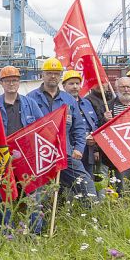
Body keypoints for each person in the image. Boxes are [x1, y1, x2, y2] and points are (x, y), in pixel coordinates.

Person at [0, 66, 44, 229]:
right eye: (8, 80)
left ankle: (34, 233)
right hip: (2, 158)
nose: (12, 83)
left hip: (27, 158)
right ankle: (6, 232)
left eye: (15, 80)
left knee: (33, 195)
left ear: (19, 82)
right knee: (5, 197)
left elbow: (41, 128)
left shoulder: (30, 104)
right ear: (1, 83)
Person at [27, 59, 95, 202]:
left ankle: (91, 215)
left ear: (60, 76)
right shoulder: (30, 99)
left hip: (65, 153)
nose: (53, 76)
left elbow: (79, 127)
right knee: (40, 194)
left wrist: (79, 148)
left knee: (85, 183)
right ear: (42, 75)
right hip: (40, 155)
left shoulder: (68, 99)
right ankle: (41, 222)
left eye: (56, 74)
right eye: (49, 73)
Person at [62, 70, 100, 189]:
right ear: (64, 86)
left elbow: (95, 124)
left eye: (77, 83)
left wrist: (95, 145)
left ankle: (88, 205)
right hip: (71, 150)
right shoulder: (62, 103)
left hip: (88, 150)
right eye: (71, 84)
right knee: (71, 183)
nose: (75, 87)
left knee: (88, 180)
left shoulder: (87, 103)